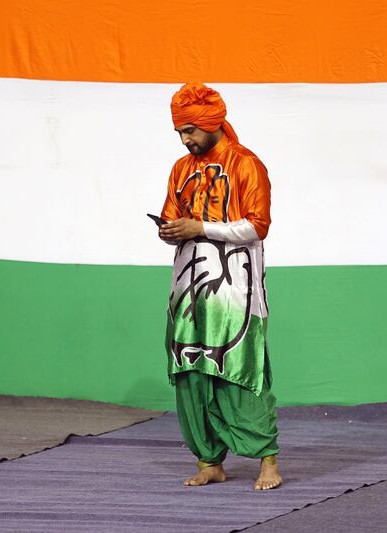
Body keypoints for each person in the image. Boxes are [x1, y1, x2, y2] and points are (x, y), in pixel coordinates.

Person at [158, 82, 282, 491]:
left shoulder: (246, 164)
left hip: (236, 291)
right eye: (180, 132)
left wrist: (201, 227)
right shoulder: (181, 168)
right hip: (187, 289)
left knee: (241, 370)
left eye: (191, 130)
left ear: (212, 124)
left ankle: (268, 462)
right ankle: (209, 460)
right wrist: (172, 231)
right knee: (191, 371)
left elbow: (257, 226)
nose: (186, 139)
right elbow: (172, 215)